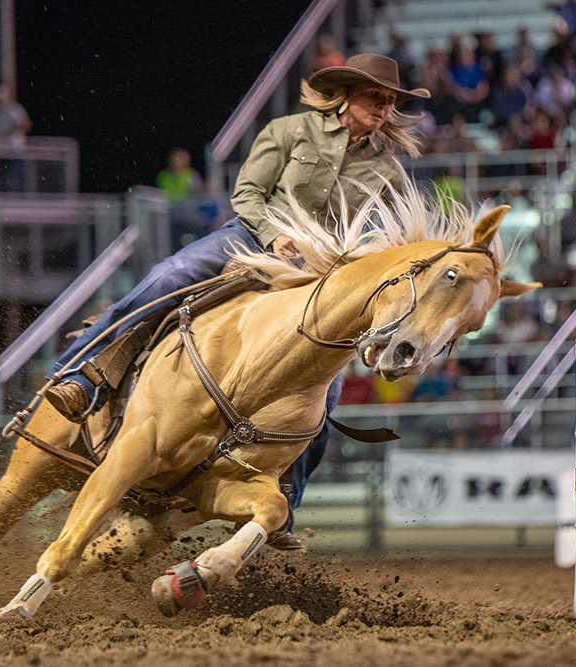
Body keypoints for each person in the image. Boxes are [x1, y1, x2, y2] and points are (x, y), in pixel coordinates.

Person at [44, 54, 429, 549]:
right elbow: (248, 194)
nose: (385, 107)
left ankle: (285, 504)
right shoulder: (291, 131)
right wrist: (274, 236)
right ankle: (79, 375)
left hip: (316, 279)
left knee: (326, 393)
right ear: (348, 94)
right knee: (170, 275)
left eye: (392, 101)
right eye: (377, 96)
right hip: (250, 239)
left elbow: (385, 243)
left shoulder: (389, 170)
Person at [0, 83, 32, 191]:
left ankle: (19, 199)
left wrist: (14, 127)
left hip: (16, 150)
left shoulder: (17, 109)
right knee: (3, 177)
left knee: (17, 176)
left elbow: (27, 126)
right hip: (1, 151)